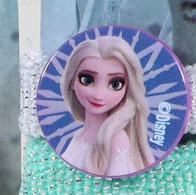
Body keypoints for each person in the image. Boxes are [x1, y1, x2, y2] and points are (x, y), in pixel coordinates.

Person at [59, 35, 153, 176]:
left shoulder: (116, 138)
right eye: (87, 80)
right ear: (72, 81)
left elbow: (117, 184)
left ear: (128, 89)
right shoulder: (78, 135)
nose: (99, 95)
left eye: (115, 84)